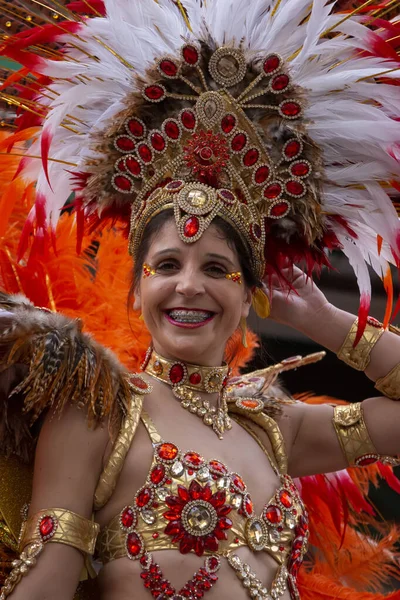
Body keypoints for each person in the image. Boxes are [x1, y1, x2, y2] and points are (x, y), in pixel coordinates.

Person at [0, 0, 400, 599]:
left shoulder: (275, 429)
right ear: (137, 292)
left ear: (249, 300)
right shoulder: (96, 412)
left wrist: (323, 318)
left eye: (217, 268)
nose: (188, 285)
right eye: (166, 265)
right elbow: (45, 585)